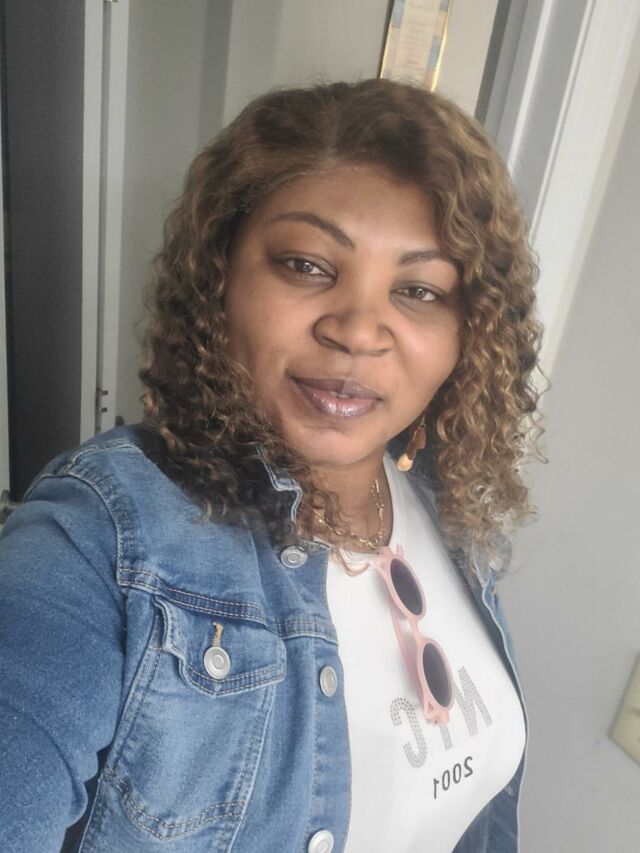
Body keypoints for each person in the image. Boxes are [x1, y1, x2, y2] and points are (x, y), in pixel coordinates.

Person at [0, 78, 545, 852]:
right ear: (220, 277)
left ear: (470, 332)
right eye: (306, 265)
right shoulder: (104, 540)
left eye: (419, 289)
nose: (358, 330)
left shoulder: (441, 504)